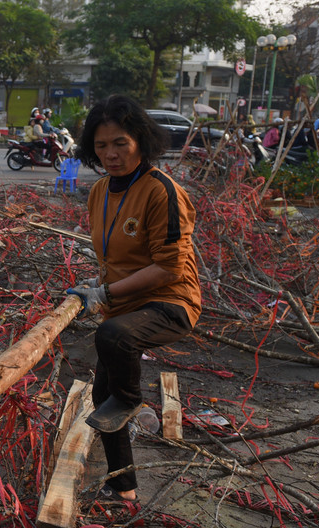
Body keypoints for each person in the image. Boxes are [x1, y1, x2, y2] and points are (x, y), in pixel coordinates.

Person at [67, 94, 201, 506]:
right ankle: (123, 487)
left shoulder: (162, 191)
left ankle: (130, 399)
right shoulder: (100, 193)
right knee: (102, 396)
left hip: (171, 302)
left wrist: (104, 293)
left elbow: (169, 268)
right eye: (102, 145)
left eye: (120, 143)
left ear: (141, 141)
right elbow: (116, 256)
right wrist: (98, 281)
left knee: (112, 338)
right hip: (126, 307)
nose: (111, 154)